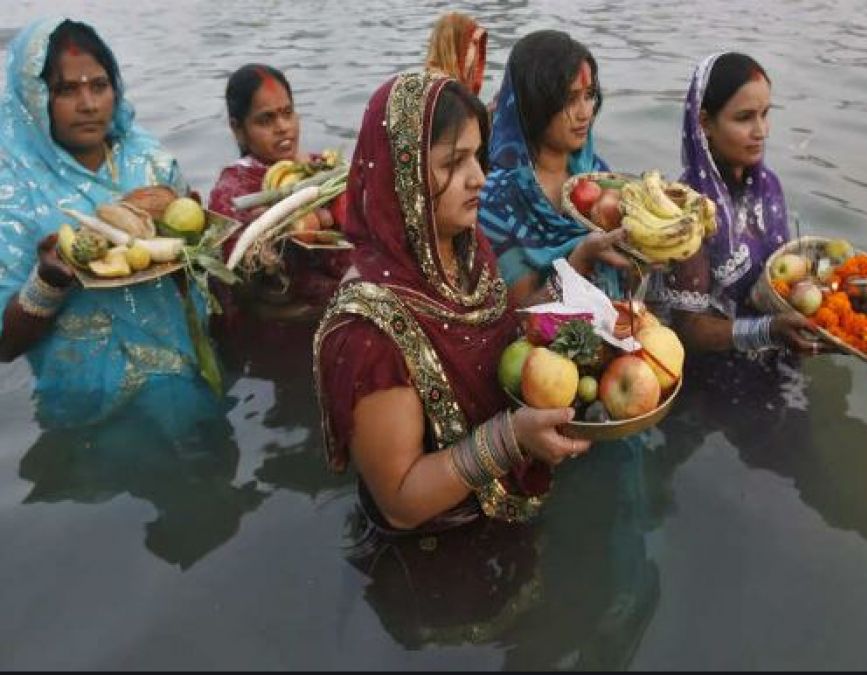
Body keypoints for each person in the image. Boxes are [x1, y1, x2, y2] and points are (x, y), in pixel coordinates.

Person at [314, 71, 590, 536]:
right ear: (402, 174)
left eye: (477, 157)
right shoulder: (366, 331)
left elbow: (500, 343)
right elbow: (401, 501)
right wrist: (511, 437)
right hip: (433, 553)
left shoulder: (463, 248)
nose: (479, 178)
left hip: (501, 511)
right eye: (453, 163)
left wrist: (580, 263)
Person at [0, 17, 219, 428]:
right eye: (66, 89)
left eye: (98, 85)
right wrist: (47, 283)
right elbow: (4, 345)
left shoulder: (151, 163)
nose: (89, 104)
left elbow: (199, 286)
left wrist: (196, 246)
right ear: (33, 98)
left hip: (187, 381)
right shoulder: (13, 192)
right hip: (87, 409)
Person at [647, 51, 821, 356]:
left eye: (765, 114)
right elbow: (686, 330)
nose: (761, 131)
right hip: (713, 375)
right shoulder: (687, 211)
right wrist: (766, 331)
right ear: (705, 124)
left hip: (779, 350)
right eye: (744, 118)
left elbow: (786, 281)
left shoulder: (768, 188)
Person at [478, 30, 630, 307]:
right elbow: (521, 314)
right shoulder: (498, 199)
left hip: (617, 336)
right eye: (570, 100)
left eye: (590, 95)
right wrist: (580, 259)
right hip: (540, 348)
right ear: (534, 104)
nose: (585, 113)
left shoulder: (596, 174)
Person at [208, 64, 350, 324]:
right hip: (278, 335)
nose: (283, 127)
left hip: (340, 315)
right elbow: (246, 293)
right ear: (238, 129)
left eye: (287, 113)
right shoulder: (231, 193)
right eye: (266, 119)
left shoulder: (324, 170)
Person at [424, 12, 487, 98]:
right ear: (457, 47)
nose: (477, 54)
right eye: (474, 44)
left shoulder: (421, 85)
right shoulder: (450, 93)